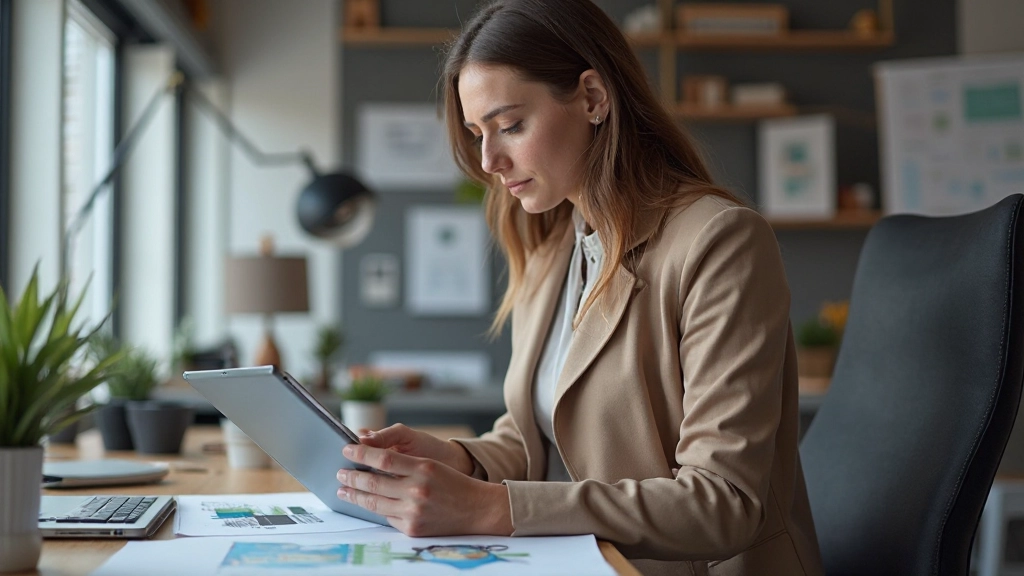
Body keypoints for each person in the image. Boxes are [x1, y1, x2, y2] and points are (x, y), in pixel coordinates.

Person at [335, 1, 824, 574]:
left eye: (510, 125)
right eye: (477, 134)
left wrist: (493, 507)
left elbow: (722, 503)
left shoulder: (720, 242)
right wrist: (460, 461)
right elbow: (532, 442)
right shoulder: (552, 251)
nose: (490, 159)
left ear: (593, 98)